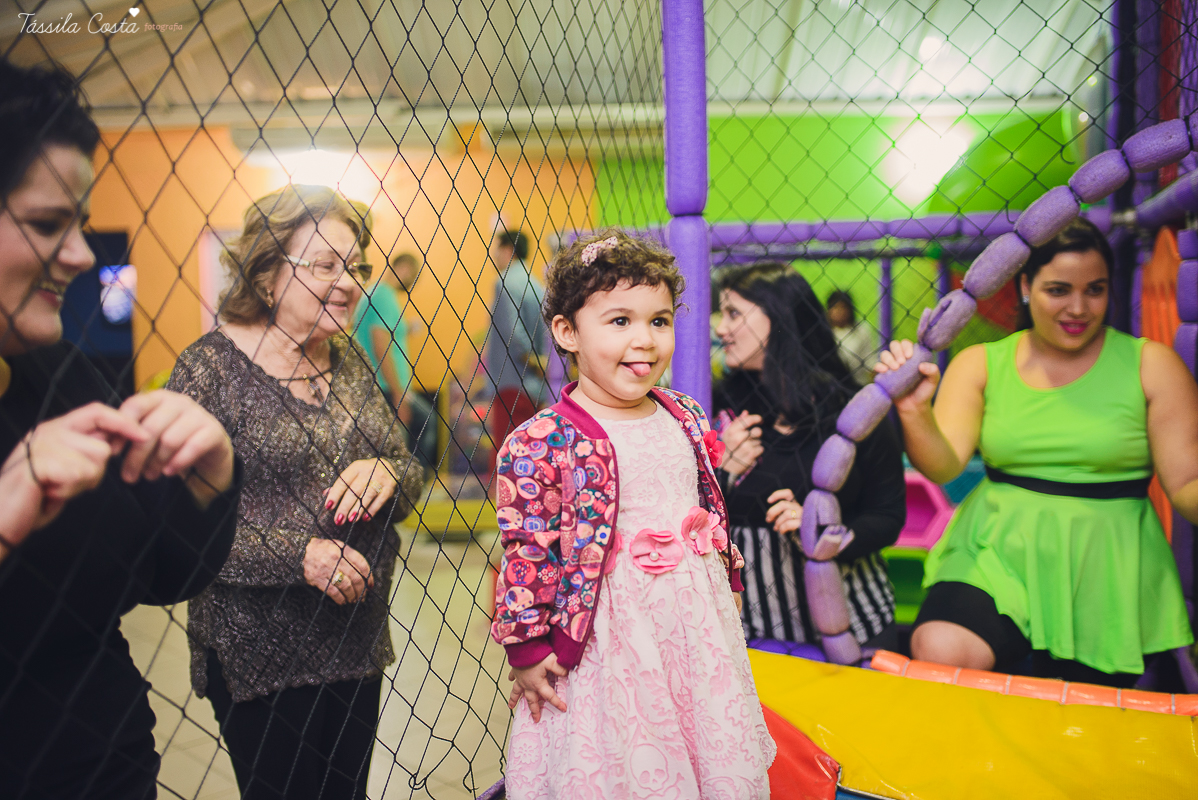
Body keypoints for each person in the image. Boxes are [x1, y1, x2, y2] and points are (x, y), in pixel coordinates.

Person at [0, 58, 240, 799]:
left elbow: (152, 573)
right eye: (47, 224)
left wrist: (209, 484)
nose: (79, 254)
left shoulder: (61, 376)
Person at [492, 230, 775, 799]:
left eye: (659, 321)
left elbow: (704, 504)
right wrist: (526, 648)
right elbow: (528, 552)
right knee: (621, 754)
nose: (644, 341)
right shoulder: (543, 440)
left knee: (704, 744)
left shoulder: (685, 414)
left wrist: (725, 570)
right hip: (606, 632)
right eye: (619, 321)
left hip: (689, 623)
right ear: (567, 332)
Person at [167, 184, 424, 799]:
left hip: (354, 641)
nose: (350, 282)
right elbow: (176, 534)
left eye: (356, 266)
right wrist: (300, 556)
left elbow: (408, 472)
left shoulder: (348, 362)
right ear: (266, 276)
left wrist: (391, 472)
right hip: (261, 653)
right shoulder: (208, 372)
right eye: (326, 265)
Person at [881, 218, 1198, 687]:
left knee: (1083, 718)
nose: (1077, 307)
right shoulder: (982, 363)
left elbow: (1186, 482)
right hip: (998, 548)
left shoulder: (1151, 365)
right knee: (940, 649)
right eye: (1058, 290)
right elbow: (944, 463)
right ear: (1026, 287)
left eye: (1095, 289)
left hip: (1105, 557)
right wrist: (914, 411)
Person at [713, 263, 905, 651]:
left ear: (778, 318)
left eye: (734, 313)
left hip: (853, 629)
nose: (720, 328)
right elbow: (689, 519)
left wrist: (824, 532)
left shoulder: (855, 413)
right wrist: (719, 470)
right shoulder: (717, 403)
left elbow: (887, 517)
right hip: (747, 634)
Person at [483, 229, 547, 471]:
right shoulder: (537, 284)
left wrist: (532, 359)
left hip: (509, 380)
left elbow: (512, 331)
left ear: (507, 250)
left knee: (506, 456)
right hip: (535, 385)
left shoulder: (504, 282)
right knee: (530, 453)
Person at [826, 289, 876, 384]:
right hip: (830, 384)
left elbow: (870, 361)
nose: (839, 311)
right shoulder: (824, 331)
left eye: (843, 307)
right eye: (835, 307)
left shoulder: (861, 330)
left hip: (857, 383)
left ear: (850, 309)